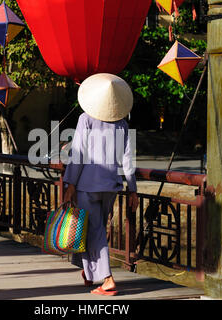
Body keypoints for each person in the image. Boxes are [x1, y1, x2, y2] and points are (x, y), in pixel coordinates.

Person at [63, 73, 139, 296]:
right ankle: (88, 272)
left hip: (87, 185)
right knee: (94, 228)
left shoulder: (85, 119)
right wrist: (132, 189)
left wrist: (70, 185)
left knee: (93, 230)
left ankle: (107, 279)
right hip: (111, 187)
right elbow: (127, 159)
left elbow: (78, 155)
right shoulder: (122, 123)